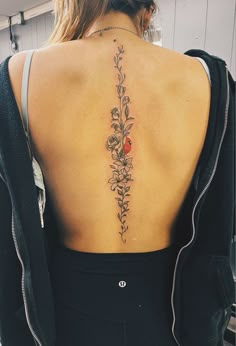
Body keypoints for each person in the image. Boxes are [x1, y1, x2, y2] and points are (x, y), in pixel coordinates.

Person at [0, 0, 235, 345]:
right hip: (170, 310)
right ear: (148, 11)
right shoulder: (208, 79)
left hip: (69, 308)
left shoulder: (21, 73)